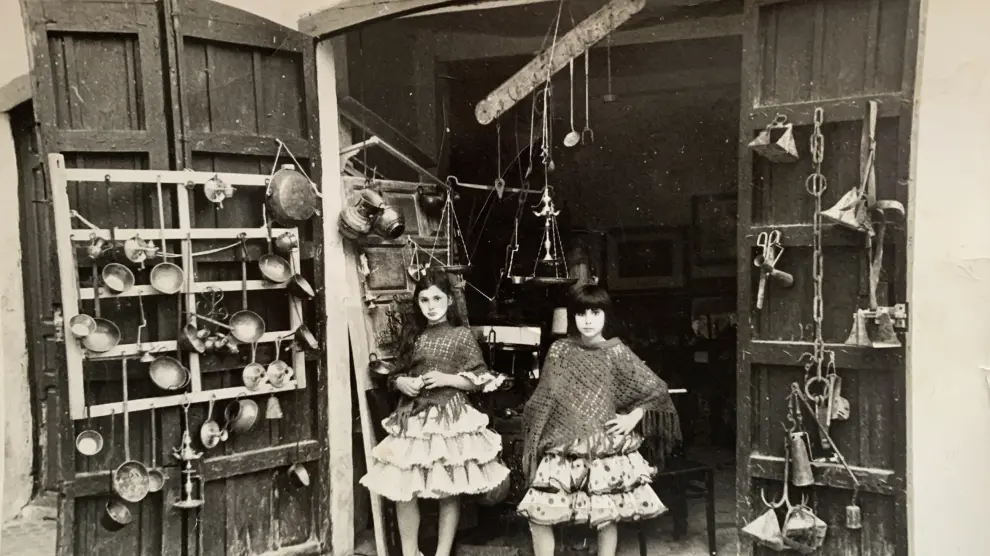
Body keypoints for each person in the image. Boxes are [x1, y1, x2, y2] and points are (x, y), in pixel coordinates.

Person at [518, 284, 681, 556]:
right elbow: (544, 399)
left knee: (606, 515)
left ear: (606, 315)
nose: (588, 320)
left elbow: (657, 391)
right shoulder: (560, 351)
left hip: (603, 446)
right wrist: (537, 427)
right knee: (538, 513)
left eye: (596, 313)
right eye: (581, 313)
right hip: (563, 446)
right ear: (573, 317)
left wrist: (633, 417)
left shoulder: (616, 352)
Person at [360, 269, 510, 556]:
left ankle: (442, 553)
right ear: (418, 303)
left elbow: (480, 379)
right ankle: (410, 552)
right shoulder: (413, 336)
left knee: (447, 488)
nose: (431, 306)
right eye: (425, 300)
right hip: (415, 417)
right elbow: (396, 374)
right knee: (404, 486)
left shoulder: (460, 336)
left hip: (449, 417)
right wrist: (401, 382)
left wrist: (447, 379)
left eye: (437, 298)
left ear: (450, 300)